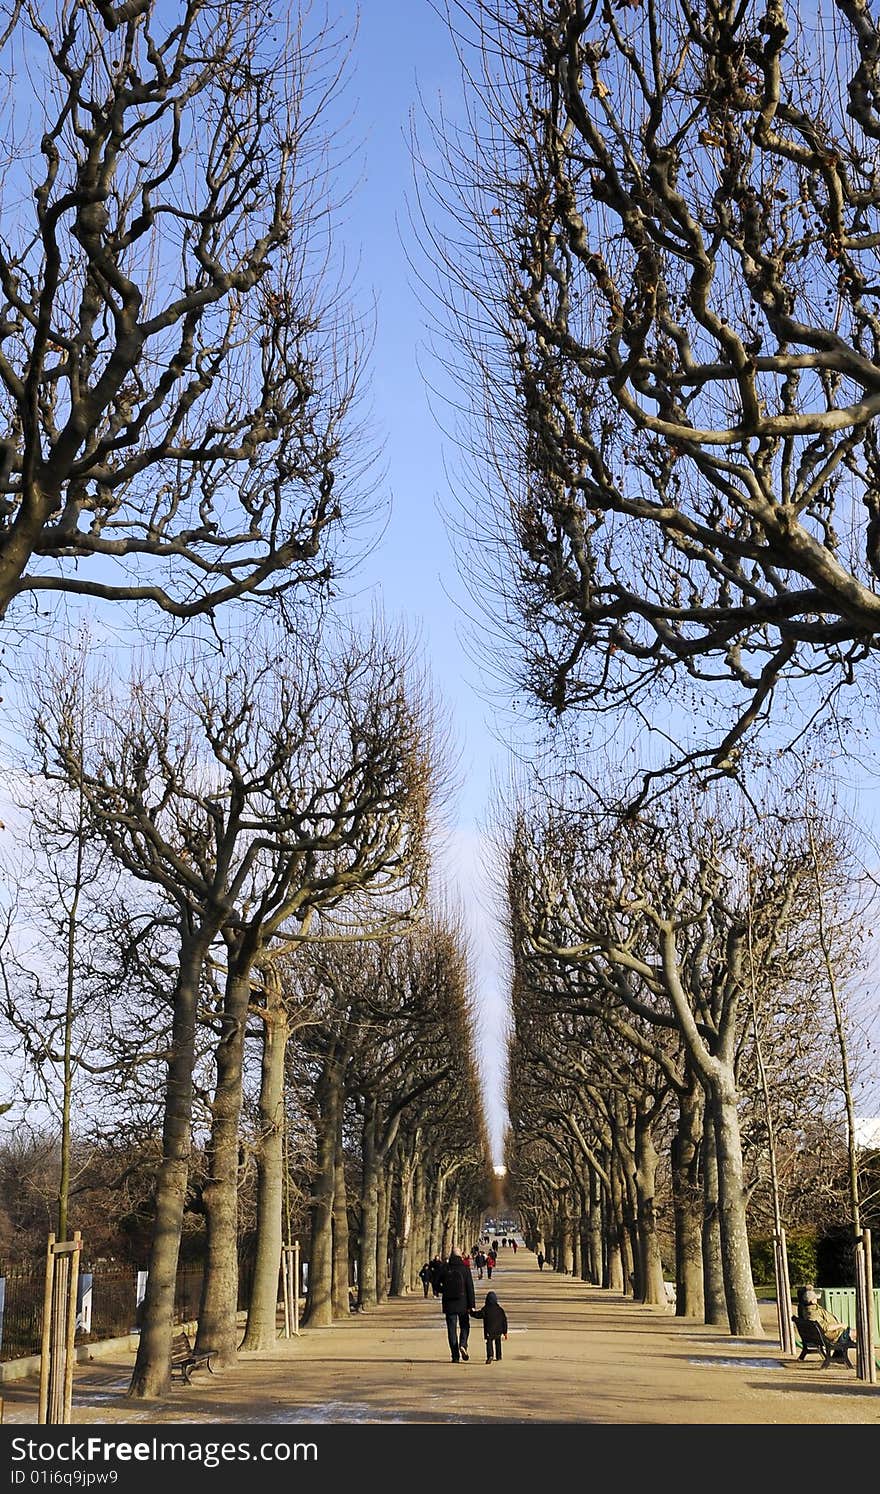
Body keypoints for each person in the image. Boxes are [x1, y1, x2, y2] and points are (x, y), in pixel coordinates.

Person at [440, 1246, 476, 1363]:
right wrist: (472, 1305)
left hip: (449, 1303)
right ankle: (463, 1344)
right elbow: (470, 1288)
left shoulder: (445, 1268)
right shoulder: (465, 1269)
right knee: (465, 1326)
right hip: (463, 1303)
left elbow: (435, 1281)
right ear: (461, 1256)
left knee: (451, 1329)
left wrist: (442, 1290)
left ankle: (455, 1355)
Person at [797, 1284, 857, 1349]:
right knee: (859, 1333)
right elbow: (826, 1328)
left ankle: (839, 1355)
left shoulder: (807, 1309)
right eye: (815, 1298)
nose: (817, 1299)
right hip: (833, 1336)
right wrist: (841, 1325)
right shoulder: (812, 1313)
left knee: (854, 1332)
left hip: (830, 1334)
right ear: (813, 1301)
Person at [470, 1289, 509, 1363]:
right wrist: (505, 1332)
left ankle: (490, 1355)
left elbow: (479, 1315)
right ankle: (499, 1356)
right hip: (498, 1330)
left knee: (489, 1342)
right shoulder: (500, 1309)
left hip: (489, 1330)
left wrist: (472, 1313)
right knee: (498, 1342)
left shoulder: (486, 1309)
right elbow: (504, 1321)